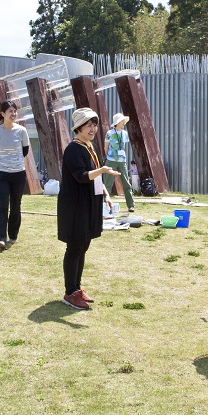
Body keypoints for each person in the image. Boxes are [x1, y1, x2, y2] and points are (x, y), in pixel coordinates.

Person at [58, 108, 120, 310]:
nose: (93, 129)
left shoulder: (89, 146)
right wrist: (102, 170)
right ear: (79, 128)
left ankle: (77, 288)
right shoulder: (73, 149)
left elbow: (95, 178)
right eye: (89, 125)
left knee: (83, 246)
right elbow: (81, 176)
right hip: (75, 205)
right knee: (74, 247)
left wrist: (105, 194)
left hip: (88, 203)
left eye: (94, 125)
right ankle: (69, 293)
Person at [0, 100, 30, 250]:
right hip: (1, 174)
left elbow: (25, 151)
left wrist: (14, 162)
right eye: (10, 111)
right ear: (2, 114)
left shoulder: (21, 131)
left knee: (15, 206)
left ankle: (13, 235)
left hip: (18, 173)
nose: (13, 114)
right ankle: (0, 238)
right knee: (2, 206)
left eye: (15, 111)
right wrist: (4, 163)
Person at [104, 113, 136, 213]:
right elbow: (106, 147)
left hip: (122, 161)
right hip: (111, 160)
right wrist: (108, 157)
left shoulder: (125, 133)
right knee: (108, 184)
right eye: (122, 121)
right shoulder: (109, 133)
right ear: (118, 123)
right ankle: (105, 205)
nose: (123, 123)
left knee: (126, 183)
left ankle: (131, 205)